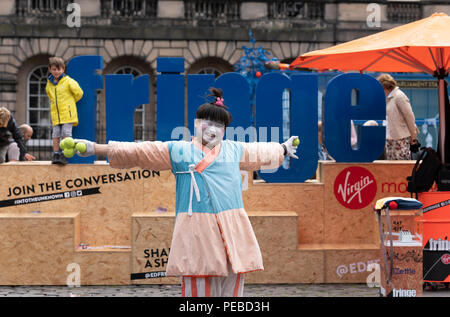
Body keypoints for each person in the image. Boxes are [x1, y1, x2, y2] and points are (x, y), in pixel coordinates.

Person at [73, 87, 299, 297]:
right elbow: (141, 151)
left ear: (225, 130)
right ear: (197, 123)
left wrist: (283, 149)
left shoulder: (234, 149)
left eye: (219, 126)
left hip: (232, 231)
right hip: (198, 232)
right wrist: (96, 148)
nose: (213, 129)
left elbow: (259, 151)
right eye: (207, 123)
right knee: (199, 287)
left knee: (233, 289)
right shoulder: (180, 150)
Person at [46, 56, 84, 165]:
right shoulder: (49, 84)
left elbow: (79, 93)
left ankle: (64, 154)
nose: (56, 71)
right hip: (56, 115)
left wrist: (69, 103)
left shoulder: (68, 81)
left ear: (63, 69)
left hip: (68, 114)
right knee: (55, 134)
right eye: (54, 69)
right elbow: (50, 96)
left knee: (66, 133)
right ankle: (56, 153)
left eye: (59, 69)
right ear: (50, 69)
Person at [377, 74, 419, 160]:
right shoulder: (388, 98)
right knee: (391, 165)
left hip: (400, 138)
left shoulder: (399, 96)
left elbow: (409, 117)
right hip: (389, 137)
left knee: (401, 164)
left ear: (384, 86)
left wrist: (413, 137)